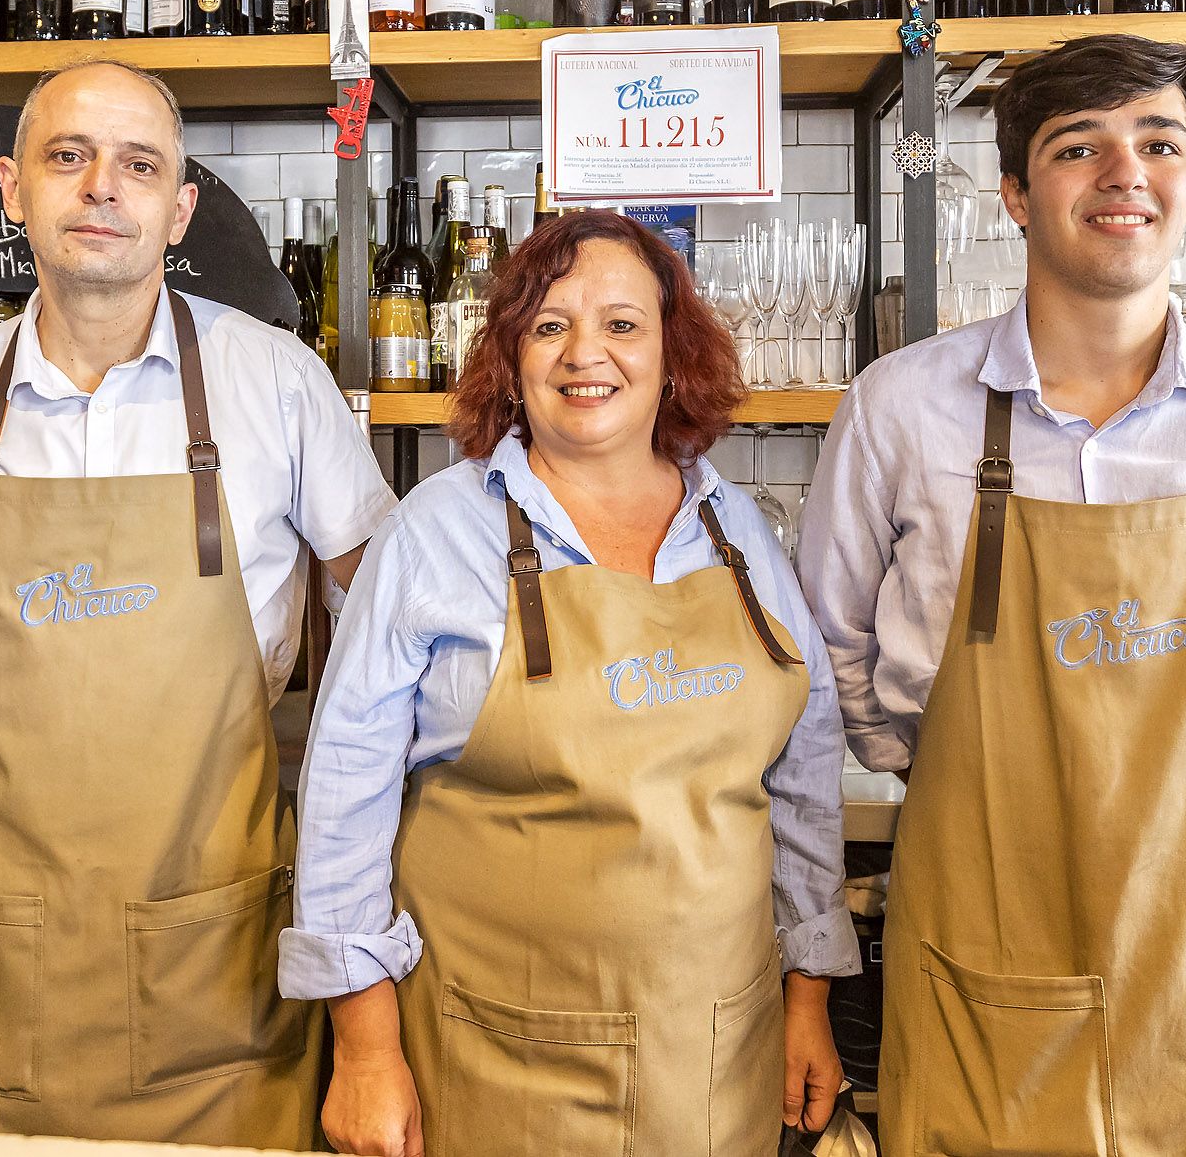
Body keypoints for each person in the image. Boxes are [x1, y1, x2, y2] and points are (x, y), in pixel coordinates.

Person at [799, 35, 1186, 1156]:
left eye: (1158, 143)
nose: (1124, 174)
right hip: (982, 938)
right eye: (1077, 147)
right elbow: (829, 664)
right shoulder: (898, 409)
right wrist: (966, 783)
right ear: (1015, 193)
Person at [0, 60, 396, 1147]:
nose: (101, 188)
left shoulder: (277, 384)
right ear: (12, 189)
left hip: (216, 961)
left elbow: (390, 645)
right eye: (67, 156)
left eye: (138, 165)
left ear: (179, 208)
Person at [283, 210, 860, 1157]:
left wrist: (808, 996)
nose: (585, 352)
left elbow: (805, 770)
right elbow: (345, 791)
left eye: (622, 324)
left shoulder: (737, 530)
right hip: (501, 1056)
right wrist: (365, 1048)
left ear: (673, 354)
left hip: (716, 1053)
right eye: (549, 325)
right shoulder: (433, 534)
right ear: (511, 361)